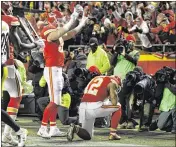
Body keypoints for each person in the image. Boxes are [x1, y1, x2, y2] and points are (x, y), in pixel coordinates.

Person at [37, 4, 88, 138]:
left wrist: (81, 22)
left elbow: (71, 33)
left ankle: (53, 128)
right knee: (55, 102)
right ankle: (43, 127)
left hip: (57, 69)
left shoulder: (55, 32)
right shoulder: (48, 30)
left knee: (55, 101)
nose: (59, 22)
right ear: (50, 20)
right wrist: (74, 17)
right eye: (57, 19)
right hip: (52, 69)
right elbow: (62, 30)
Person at [67, 73, 122, 141]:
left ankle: (75, 128)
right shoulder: (113, 82)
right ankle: (113, 134)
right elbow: (114, 102)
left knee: (88, 136)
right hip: (95, 106)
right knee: (118, 106)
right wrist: (113, 94)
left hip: (82, 107)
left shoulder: (96, 78)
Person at [1, 20, 28, 147]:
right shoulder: (5, 23)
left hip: (5, 66)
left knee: (15, 96)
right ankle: (12, 133)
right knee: (14, 97)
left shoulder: (5, 22)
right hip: (6, 65)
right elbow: (17, 45)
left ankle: (16, 131)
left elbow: (16, 45)